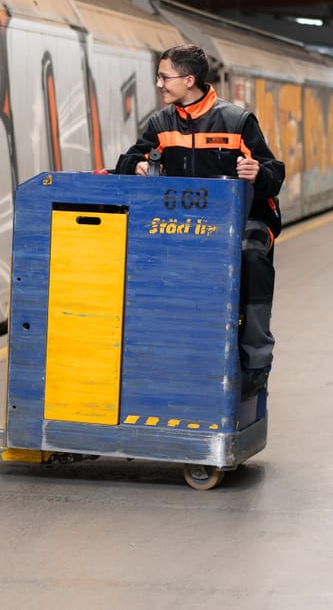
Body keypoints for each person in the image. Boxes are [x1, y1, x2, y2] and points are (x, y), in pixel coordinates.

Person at [115, 44, 284, 401]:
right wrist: (139, 166)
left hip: (244, 220)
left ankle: (256, 361)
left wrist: (257, 173)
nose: (159, 83)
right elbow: (128, 160)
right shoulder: (161, 123)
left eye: (165, 76)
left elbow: (274, 173)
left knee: (252, 258)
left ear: (188, 80)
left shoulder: (237, 121)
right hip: (186, 224)